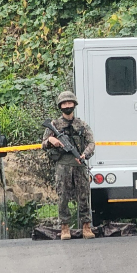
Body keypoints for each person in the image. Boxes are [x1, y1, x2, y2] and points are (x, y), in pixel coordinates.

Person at [42, 91, 95, 240]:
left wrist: (85, 154)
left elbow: (91, 143)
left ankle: (86, 226)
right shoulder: (54, 125)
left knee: (84, 196)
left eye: (69, 103)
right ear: (60, 106)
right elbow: (43, 144)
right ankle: (64, 228)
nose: (67, 106)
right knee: (63, 196)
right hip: (63, 166)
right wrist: (51, 141)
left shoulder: (82, 125)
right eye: (64, 104)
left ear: (74, 104)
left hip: (79, 165)